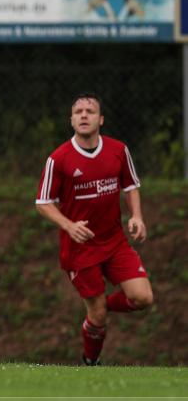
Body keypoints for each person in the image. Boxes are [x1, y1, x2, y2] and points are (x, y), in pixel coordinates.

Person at [35, 93, 154, 365]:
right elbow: (42, 203)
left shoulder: (118, 150)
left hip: (114, 242)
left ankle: (101, 305)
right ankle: (91, 363)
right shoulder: (58, 159)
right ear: (72, 120)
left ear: (100, 119)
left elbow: (131, 185)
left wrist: (137, 216)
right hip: (79, 249)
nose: (84, 115)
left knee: (142, 297)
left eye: (90, 111)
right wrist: (68, 225)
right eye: (78, 112)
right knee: (97, 317)